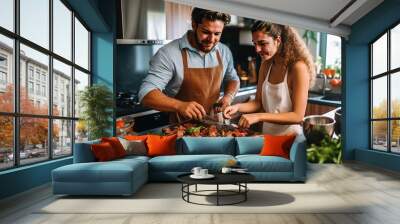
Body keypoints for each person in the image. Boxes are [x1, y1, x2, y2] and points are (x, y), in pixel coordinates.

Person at [138, 8, 240, 123]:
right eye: (206, 32)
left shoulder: (224, 51)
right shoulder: (168, 53)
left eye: (217, 34)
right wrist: (179, 105)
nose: (211, 39)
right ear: (194, 25)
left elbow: (232, 79)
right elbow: (146, 93)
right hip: (181, 127)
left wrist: (228, 97)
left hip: (215, 124)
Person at [224, 21, 316, 135]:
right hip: (267, 136)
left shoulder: (298, 68)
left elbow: (297, 116)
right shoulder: (266, 64)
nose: (257, 49)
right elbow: (258, 103)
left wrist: (259, 116)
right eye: (255, 43)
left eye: (262, 43)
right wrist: (237, 107)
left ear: (278, 40)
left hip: (290, 138)